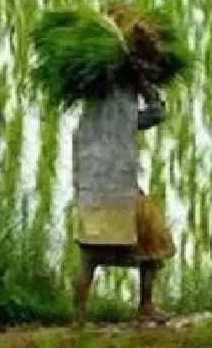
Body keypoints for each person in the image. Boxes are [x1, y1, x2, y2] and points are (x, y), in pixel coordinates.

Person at [71, 77, 175, 327]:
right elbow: (157, 114)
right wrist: (145, 86)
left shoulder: (86, 120)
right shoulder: (123, 118)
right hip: (121, 190)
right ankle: (145, 306)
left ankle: (79, 318)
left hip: (93, 192)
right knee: (153, 243)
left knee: (90, 255)